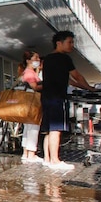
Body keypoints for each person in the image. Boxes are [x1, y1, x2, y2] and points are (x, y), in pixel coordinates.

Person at [40, 30, 93, 170]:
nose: (72, 45)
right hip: (57, 97)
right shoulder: (64, 59)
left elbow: (68, 79)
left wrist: (82, 86)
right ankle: (55, 161)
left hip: (46, 97)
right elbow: (77, 76)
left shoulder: (47, 59)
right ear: (59, 43)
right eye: (69, 42)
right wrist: (90, 88)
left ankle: (47, 158)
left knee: (49, 130)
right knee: (56, 129)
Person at [18, 50, 43, 163]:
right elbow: (35, 87)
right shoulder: (29, 73)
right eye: (36, 58)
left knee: (27, 128)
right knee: (33, 128)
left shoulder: (27, 72)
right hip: (32, 103)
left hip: (26, 103)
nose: (38, 60)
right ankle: (31, 153)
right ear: (28, 60)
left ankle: (26, 153)